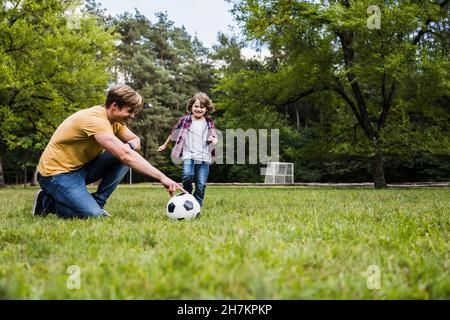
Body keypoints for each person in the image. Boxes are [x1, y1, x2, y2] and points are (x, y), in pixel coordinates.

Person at [32, 84, 185, 219]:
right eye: (129, 111)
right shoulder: (94, 119)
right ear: (114, 106)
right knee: (93, 216)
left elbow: (136, 141)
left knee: (125, 155)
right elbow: (125, 155)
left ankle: (97, 202)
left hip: (81, 169)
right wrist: (162, 177)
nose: (132, 116)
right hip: (56, 174)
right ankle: (46, 202)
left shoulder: (114, 122)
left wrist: (128, 147)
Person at [157, 92, 218, 207]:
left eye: (202, 107)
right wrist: (165, 145)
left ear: (206, 109)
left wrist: (213, 140)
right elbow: (173, 133)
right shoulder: (185, 120)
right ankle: (187, 196)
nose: (198, 109)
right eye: (196, 106)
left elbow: (214, 136)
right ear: (191, 107)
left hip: (204, 156)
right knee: (187, 175)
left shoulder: (209, 122)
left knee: (201, 184)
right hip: (188, 154)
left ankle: (197, 206)